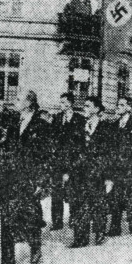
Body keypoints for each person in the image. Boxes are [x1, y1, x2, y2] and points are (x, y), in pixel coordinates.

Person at [0, 90, 49, 264]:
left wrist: (41, 181)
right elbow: (6, 150)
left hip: (30, 180)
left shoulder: (41, 125)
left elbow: (45, 156)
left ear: (28, 103)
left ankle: (35, 250)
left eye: (18, 99)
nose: (14, 101)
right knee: (6, 217)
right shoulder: (12, 124)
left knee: (30, 215)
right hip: (10, 178)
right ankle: (7, 259)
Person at [69, 96, 116, 248]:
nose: (85, 109)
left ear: (97, 109)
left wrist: (109, 178)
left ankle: (100, 233)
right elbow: (74, 150)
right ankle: (80, 238)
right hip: (81, 173)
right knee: (80, 205)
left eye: (88, 106)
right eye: (84, 106)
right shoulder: (79, 126)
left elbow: (110, 154)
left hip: (99, 173)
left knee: (98, 204)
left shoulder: (106, 128)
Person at [49, 92, 85, 232]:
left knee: (72, 192)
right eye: (60, 102)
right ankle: (57, 221)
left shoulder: (79, 119)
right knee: (56, 192)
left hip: (72, 160)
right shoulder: (57, 118)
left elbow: (80, 142)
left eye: (63, 102)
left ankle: (73, 218)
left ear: (70, 103)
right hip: (58, 160)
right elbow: (53, 136)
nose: (61, 105)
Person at [109, 95, 132, 236]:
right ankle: (115, 226)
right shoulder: (114, 124)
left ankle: (131, 221)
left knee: (128, 196)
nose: (119, 107)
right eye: (118, 105)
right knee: (116, 196)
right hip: (117, 167)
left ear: (129, 107)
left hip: (130, 168)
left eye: (122, 105)